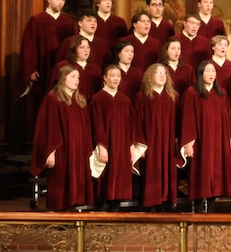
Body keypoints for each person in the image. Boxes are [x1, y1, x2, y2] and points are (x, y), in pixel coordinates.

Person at [31, 65, 93, 211]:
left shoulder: (80, 100)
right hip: (61, 150)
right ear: (63, 79)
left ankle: (75, 210)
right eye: (73, 77)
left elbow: (85, 128)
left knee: (77, 183)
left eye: (78, 77)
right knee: (61, 184)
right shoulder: (53, 99)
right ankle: (60, 213)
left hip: (78, 150)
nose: (77, 80)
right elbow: (49, 127)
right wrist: (50, 152)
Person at [180, 61, 231, 213]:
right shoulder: (192, 93)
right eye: (207, 71)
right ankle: (198, 207)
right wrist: (188, 143)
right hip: (200, 141)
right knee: (200, 173)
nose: (211, 74)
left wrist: (229, 140)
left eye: (213, 71)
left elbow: (227, 119)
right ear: (201, 73)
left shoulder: (221, 93)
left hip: (218, 140)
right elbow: (188, 118)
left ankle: (211, 208)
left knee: (216, 173)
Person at [18, 0, 76, 118]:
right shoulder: (37, 20)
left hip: (61, 70)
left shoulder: (67, 23)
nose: (60, 3)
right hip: (42, 70)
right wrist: (31, 70)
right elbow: (29, 47)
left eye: (63, 0)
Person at [91, 64, 141, 211]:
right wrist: (102, 146)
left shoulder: (125, 100)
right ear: (104, 78)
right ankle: (101, 210)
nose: (116, 79)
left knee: (119, 178)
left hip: (122, 145)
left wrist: (131, 146)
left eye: (118, 76)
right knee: (105, 178)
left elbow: (131, 125)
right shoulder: (98, 99)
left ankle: (116, 210)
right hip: (106, 144)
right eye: (112, 75)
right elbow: (97, 124)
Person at [134, 63, 179, 212]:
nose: (162, 76)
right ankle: (151, 204)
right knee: (152, 171)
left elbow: (178, 121)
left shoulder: (172, 97)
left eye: (164, 73)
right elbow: (137, 121)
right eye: (158, 73)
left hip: (167, 142)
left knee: (167, 169)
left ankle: (166, 202)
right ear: (150, 76)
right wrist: (140, 145)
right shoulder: (143, 97)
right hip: (150, 142)